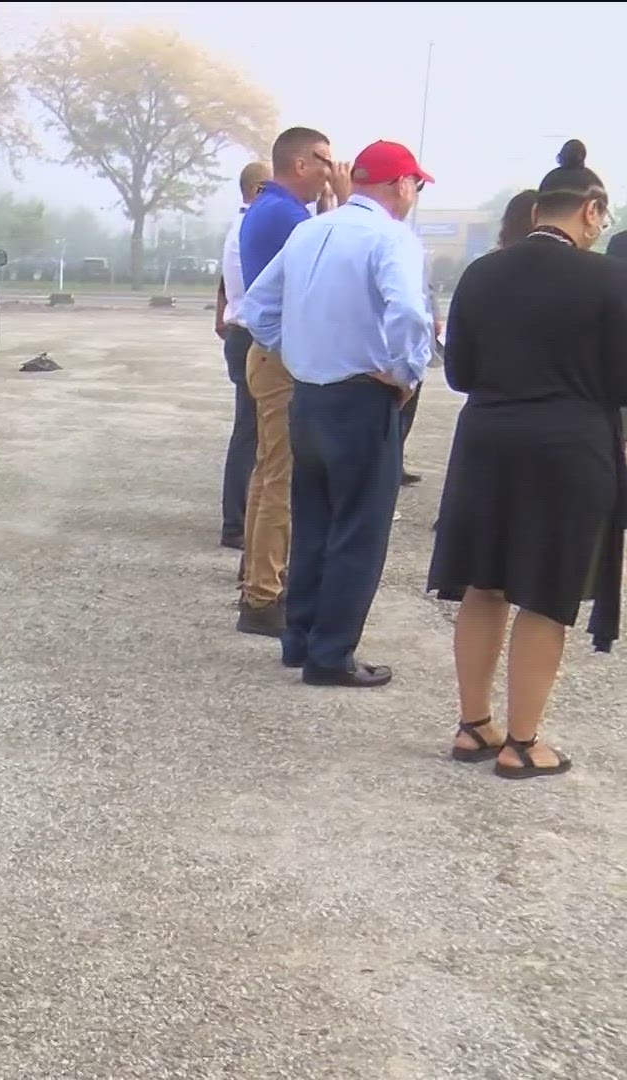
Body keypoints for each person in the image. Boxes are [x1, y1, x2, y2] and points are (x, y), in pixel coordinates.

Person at [428, 142, 626, 780]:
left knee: (484, 585)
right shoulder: (610, 280)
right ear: (592, 213)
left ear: (538, 208)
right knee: (545, 592)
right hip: (570, 445)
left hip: (487, 436)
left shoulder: (483, 274)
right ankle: (522, 742)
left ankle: (472, 724)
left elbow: (458, 372)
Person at [240, 139, 434, 688]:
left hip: (310, 394)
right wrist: (405, 373)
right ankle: (331, 655)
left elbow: (257, 307)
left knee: (315, 523)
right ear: (400, 185)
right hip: (360, 396)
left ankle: (299, 640)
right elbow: (408, 313)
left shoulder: (310, 229)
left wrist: (297, 350)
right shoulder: (391, 237)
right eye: (414, 186)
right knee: (358, 530)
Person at [234, 126, 350, 638]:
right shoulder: (286, 216)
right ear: (300, 164)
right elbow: (329, 272)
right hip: (281, 360)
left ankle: (254, 581)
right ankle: (263, 596)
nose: (331, 170)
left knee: (267, 473)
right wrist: (344, 209)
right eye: (325, 160)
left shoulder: (273, 209)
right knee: (280, 479)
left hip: (268, 356)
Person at [215, 160, 274, 551]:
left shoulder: (241, 227)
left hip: (241, 331)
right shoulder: (254, 227)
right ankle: (237, 523)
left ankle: (238, 520)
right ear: (256, 190)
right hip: (252, 336)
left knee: (250, 430)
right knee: (252, 432)